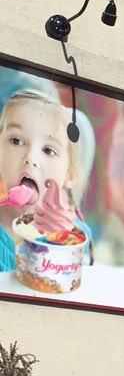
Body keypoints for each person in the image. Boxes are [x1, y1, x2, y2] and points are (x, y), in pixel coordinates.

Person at [0, 89, 89, 271]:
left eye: (48, 151)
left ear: (69, 174)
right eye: (16, 141)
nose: (31, 157)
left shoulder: (74, 237)